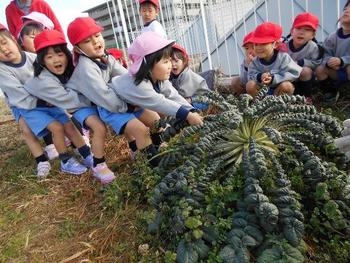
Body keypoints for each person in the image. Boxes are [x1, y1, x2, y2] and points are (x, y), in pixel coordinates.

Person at [67, 17, 162, 166]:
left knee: (155, 119)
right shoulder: (86, 68)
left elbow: (127, 76)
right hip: (107, 107)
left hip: (121, 100)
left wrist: (144, 90)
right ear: (77, 49)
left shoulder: (105, 57)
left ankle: (158, 147)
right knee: (140, 130)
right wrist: (130, 107)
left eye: (97, 36)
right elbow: (104, 97)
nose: (95, 42)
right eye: (87, 41)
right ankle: (153, 165)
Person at [23, 29, 115, 184]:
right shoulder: (43, 80)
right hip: (33, 107)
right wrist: (96, 99)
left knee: (70, 127)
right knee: (58, 128)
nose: (56, 59)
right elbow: (71, 101)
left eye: (59, 54)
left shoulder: (69, 69)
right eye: (49, 56)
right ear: (41, 61)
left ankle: (87, 155)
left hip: (52, 103)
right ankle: (65, 161)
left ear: (67, 54)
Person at [0, 24, 89, 177]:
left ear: (13, 39)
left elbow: (50, 76)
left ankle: (87, 154)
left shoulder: (33, 58)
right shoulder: (3, 70)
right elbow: (20, 96)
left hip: (47, 99)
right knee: (41, 129)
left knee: (68, 124)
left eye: (4, 42)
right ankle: (54, 160)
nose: (4, 50)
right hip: (25, 106)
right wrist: (45, 100)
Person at [111, 31, 203, 133]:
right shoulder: (139, 85)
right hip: (115, 107)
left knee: (159, 126)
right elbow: (160, 103)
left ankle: (157, 143)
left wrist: (191, 110)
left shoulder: (158, 78)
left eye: (170, 60)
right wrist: (187, 115)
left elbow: (172, 94)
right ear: (148, 65)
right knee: (141, 133)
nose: (170, 65)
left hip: (135, 105)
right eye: (166, 61)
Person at [246, 22, 302, 98]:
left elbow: (294, 73)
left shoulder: (283, 57)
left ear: (275, 44)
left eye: (263, 44)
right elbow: (250, 75)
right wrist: (260, 76)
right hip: (261, 92)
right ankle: (260, 105)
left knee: (287, 86)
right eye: (256, 44)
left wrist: (273, 78)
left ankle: (278, 106)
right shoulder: (255, 61)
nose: (258, 47)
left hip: (279, 90)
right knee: (250, 85)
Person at [315, 0, 350, 103]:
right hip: (337, 71)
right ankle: (330, 93)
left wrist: (342, 61)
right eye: (345, 9)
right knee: (320, 69)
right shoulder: (332, 37)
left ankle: (347, 95)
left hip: (347, 68)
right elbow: (325, 53)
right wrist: (329, 61)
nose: (346, 11)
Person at [285, 12, 323, 103]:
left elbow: (316, 63)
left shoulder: (313, 47)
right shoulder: (284, 47)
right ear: (291, 31)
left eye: (307, 30)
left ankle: (306, 96)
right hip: (289, 76)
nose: (302, 32)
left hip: (306, 79)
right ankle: (288, 99)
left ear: (313, 35)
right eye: (298, 28)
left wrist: (302, 62)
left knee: (305, 70)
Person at [170, 43, 210, 110]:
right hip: (190, 96)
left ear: (184, 62)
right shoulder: (173, 75)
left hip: (203, 99)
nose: (173, 64)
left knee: (184, 104)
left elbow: (183, 93)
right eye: (170, 61)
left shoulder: (187, 74)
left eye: (176, 61)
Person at [230, 31, 255, 95]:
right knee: (235, 81)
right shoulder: (245, 62)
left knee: (251, 85)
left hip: (260, 87)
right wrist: (247, 67)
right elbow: (243, 81)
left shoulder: (262, 60)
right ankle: (245, 99)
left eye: (253, 47)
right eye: (247, 48)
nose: (249, 51)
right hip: (249, 87)